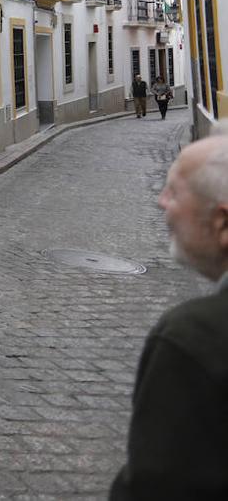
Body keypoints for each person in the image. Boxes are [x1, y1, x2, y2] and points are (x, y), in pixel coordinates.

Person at [110, 136, 228, 499]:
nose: (162, 201)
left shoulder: (194, 337)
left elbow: (156, 485)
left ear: (222, 222)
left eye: (174, 193)